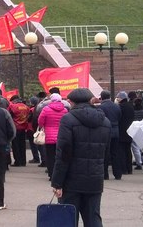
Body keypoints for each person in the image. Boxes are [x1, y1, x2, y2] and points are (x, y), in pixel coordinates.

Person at [51, 88, 111, 227]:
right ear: (91, 100)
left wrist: (57, 182)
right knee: (93, 218)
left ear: (71, 102)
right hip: (95, 178)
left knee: (68, 218)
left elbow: (63, 153)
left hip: (72, 179)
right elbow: (106, 152)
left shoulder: (68, 119)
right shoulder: (105, 121)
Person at [37, 93, 68, 180]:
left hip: (49, 136)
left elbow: (40, 121)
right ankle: (59, 174)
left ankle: (51, 174)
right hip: (61, 136)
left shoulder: (46, 109)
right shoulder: (65, 110)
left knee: (50, 156)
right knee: (59, 156)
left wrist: (43, 126)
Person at [99, 91, 123, 180]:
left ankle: (105, 174)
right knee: (115, 153)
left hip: (105, 131)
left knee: (105, 153)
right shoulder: (117, 106)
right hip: (116, 131)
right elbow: (119, 117)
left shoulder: (101, 107)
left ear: (101, 97)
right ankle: (118, 174)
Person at [8, 95, 30, 166]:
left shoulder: (13, 107)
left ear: (14, 100)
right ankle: (23, 161)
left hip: (16, 127)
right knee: (22, 145)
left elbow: (9, 117)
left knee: (15, 145)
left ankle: (17, 161)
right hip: (23, 127)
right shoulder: (26, 107)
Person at [116, 92, 135, 175]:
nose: (117, 99)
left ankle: (123, 169)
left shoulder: (120, 107)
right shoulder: (131, 106)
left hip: (121, 131)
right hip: (130, 131)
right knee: (128, 150)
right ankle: (129, 168)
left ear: (121, 98)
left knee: (122, 151)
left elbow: (118, 118)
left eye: (118, 97)